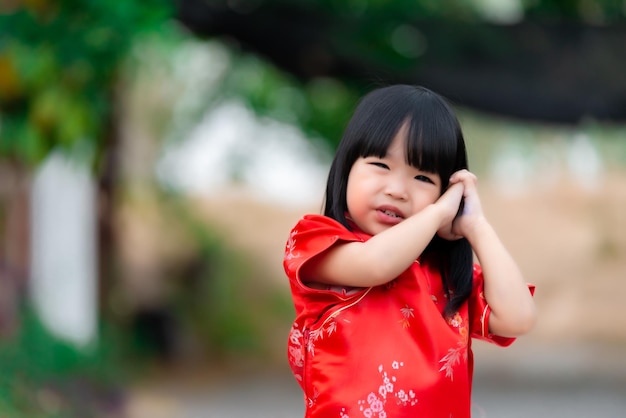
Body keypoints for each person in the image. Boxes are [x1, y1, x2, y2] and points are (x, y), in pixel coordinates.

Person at [283, 84, 536, 418]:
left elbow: (517, 318)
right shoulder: (317, 241)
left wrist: (476, 226)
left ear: (445, 193)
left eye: (422, 177)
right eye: (380, 165)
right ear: (347, 168)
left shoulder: (444, 276)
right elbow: (376, 265)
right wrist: (436, 214)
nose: (397, 190)